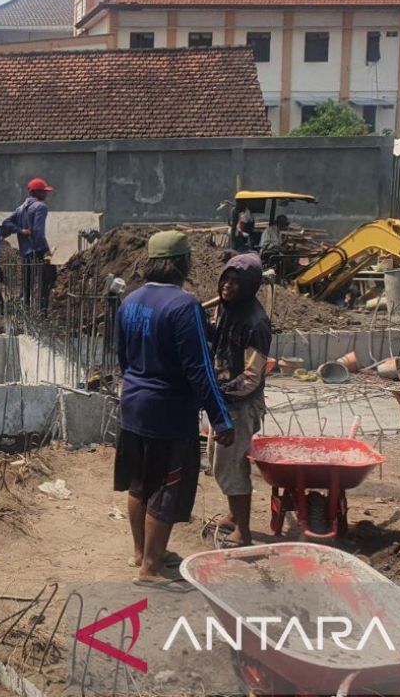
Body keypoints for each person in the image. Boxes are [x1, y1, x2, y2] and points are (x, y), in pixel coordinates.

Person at [115, 230, 234, 586]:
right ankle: (150, 569)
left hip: (133, 406)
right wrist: (221, 418)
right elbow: (201, 371)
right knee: (167, 488)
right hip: (169, 414)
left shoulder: (129, 301)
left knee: (140, 484)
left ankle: (142, 551)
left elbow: (122, 357)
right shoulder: (185, 307)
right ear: (184, 263)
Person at [209, 253, 272, 547]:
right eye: (226, 279)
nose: (228, 286)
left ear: (248, 287)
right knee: (220, 462)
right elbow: (218, 342)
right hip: (224, 401)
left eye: (236, 282)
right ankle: (234, 516)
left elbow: (251, 377)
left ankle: (243, 532)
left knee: (233, 464)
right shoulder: (227, 309)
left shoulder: (255, 323)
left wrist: (216, 394)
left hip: (240, 404)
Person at [5, 178, 54, 311]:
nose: (46, 194)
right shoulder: (41, 207)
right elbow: (38, 232)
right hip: (36, 252)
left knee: (27, 285)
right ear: (36, 192)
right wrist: (46, 250)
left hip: (25, 253)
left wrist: (21, 231)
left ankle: (25, 311)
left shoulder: (20, 208)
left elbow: (6, 223)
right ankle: (42, 312)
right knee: (45, 283)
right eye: (44, 192)